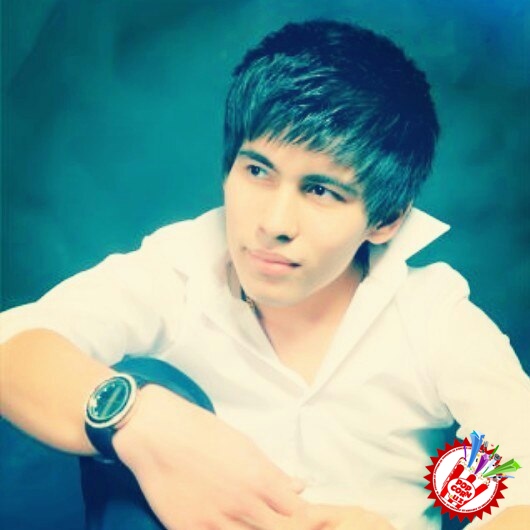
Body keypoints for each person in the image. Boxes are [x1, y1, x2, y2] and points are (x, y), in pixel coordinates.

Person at [1, 19, 529, 530]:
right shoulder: (182, 268)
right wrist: (140, 419)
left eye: (321, 191)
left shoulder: (431, 317)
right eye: (257, 171)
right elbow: (13, 345)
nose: (274, 224)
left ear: (385, 219)